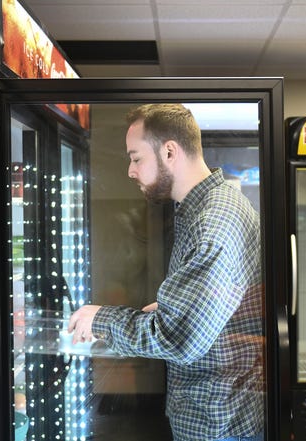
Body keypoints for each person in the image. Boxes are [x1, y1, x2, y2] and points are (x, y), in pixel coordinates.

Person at [68, 103, 264, 441]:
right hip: (224, 410)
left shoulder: (212, 223)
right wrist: (180, 307)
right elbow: (223, 301)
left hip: (217, 422)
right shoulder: (213, 205)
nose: (130, 171)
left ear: (170, 151)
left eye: (136, 158)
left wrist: (101, 319)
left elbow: (181, 339)